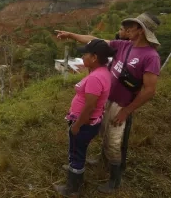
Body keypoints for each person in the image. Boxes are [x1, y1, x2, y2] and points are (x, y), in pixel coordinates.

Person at [55, 12, 161, 193]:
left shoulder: (151, 56)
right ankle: (103, 159)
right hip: (107, 98)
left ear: (141, 31)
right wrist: (71, 35)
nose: (128, 29)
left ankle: (115, 179)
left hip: (122, 104)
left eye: (133, 26)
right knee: (103, 130)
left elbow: (150, 90)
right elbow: (95, 41)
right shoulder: (124, 45)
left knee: (114, 141)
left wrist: (126, 111)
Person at [53, 40, 116, 197]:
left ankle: (73, 189)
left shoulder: (95, 78)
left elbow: (90, 105)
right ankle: (74, 170)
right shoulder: (102, 71)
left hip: (84, 123)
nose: (82, 57)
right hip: (90, 121)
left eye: (84, 54)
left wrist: (77, 125)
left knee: (77, 153)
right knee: (77, 149)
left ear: (94, 57)